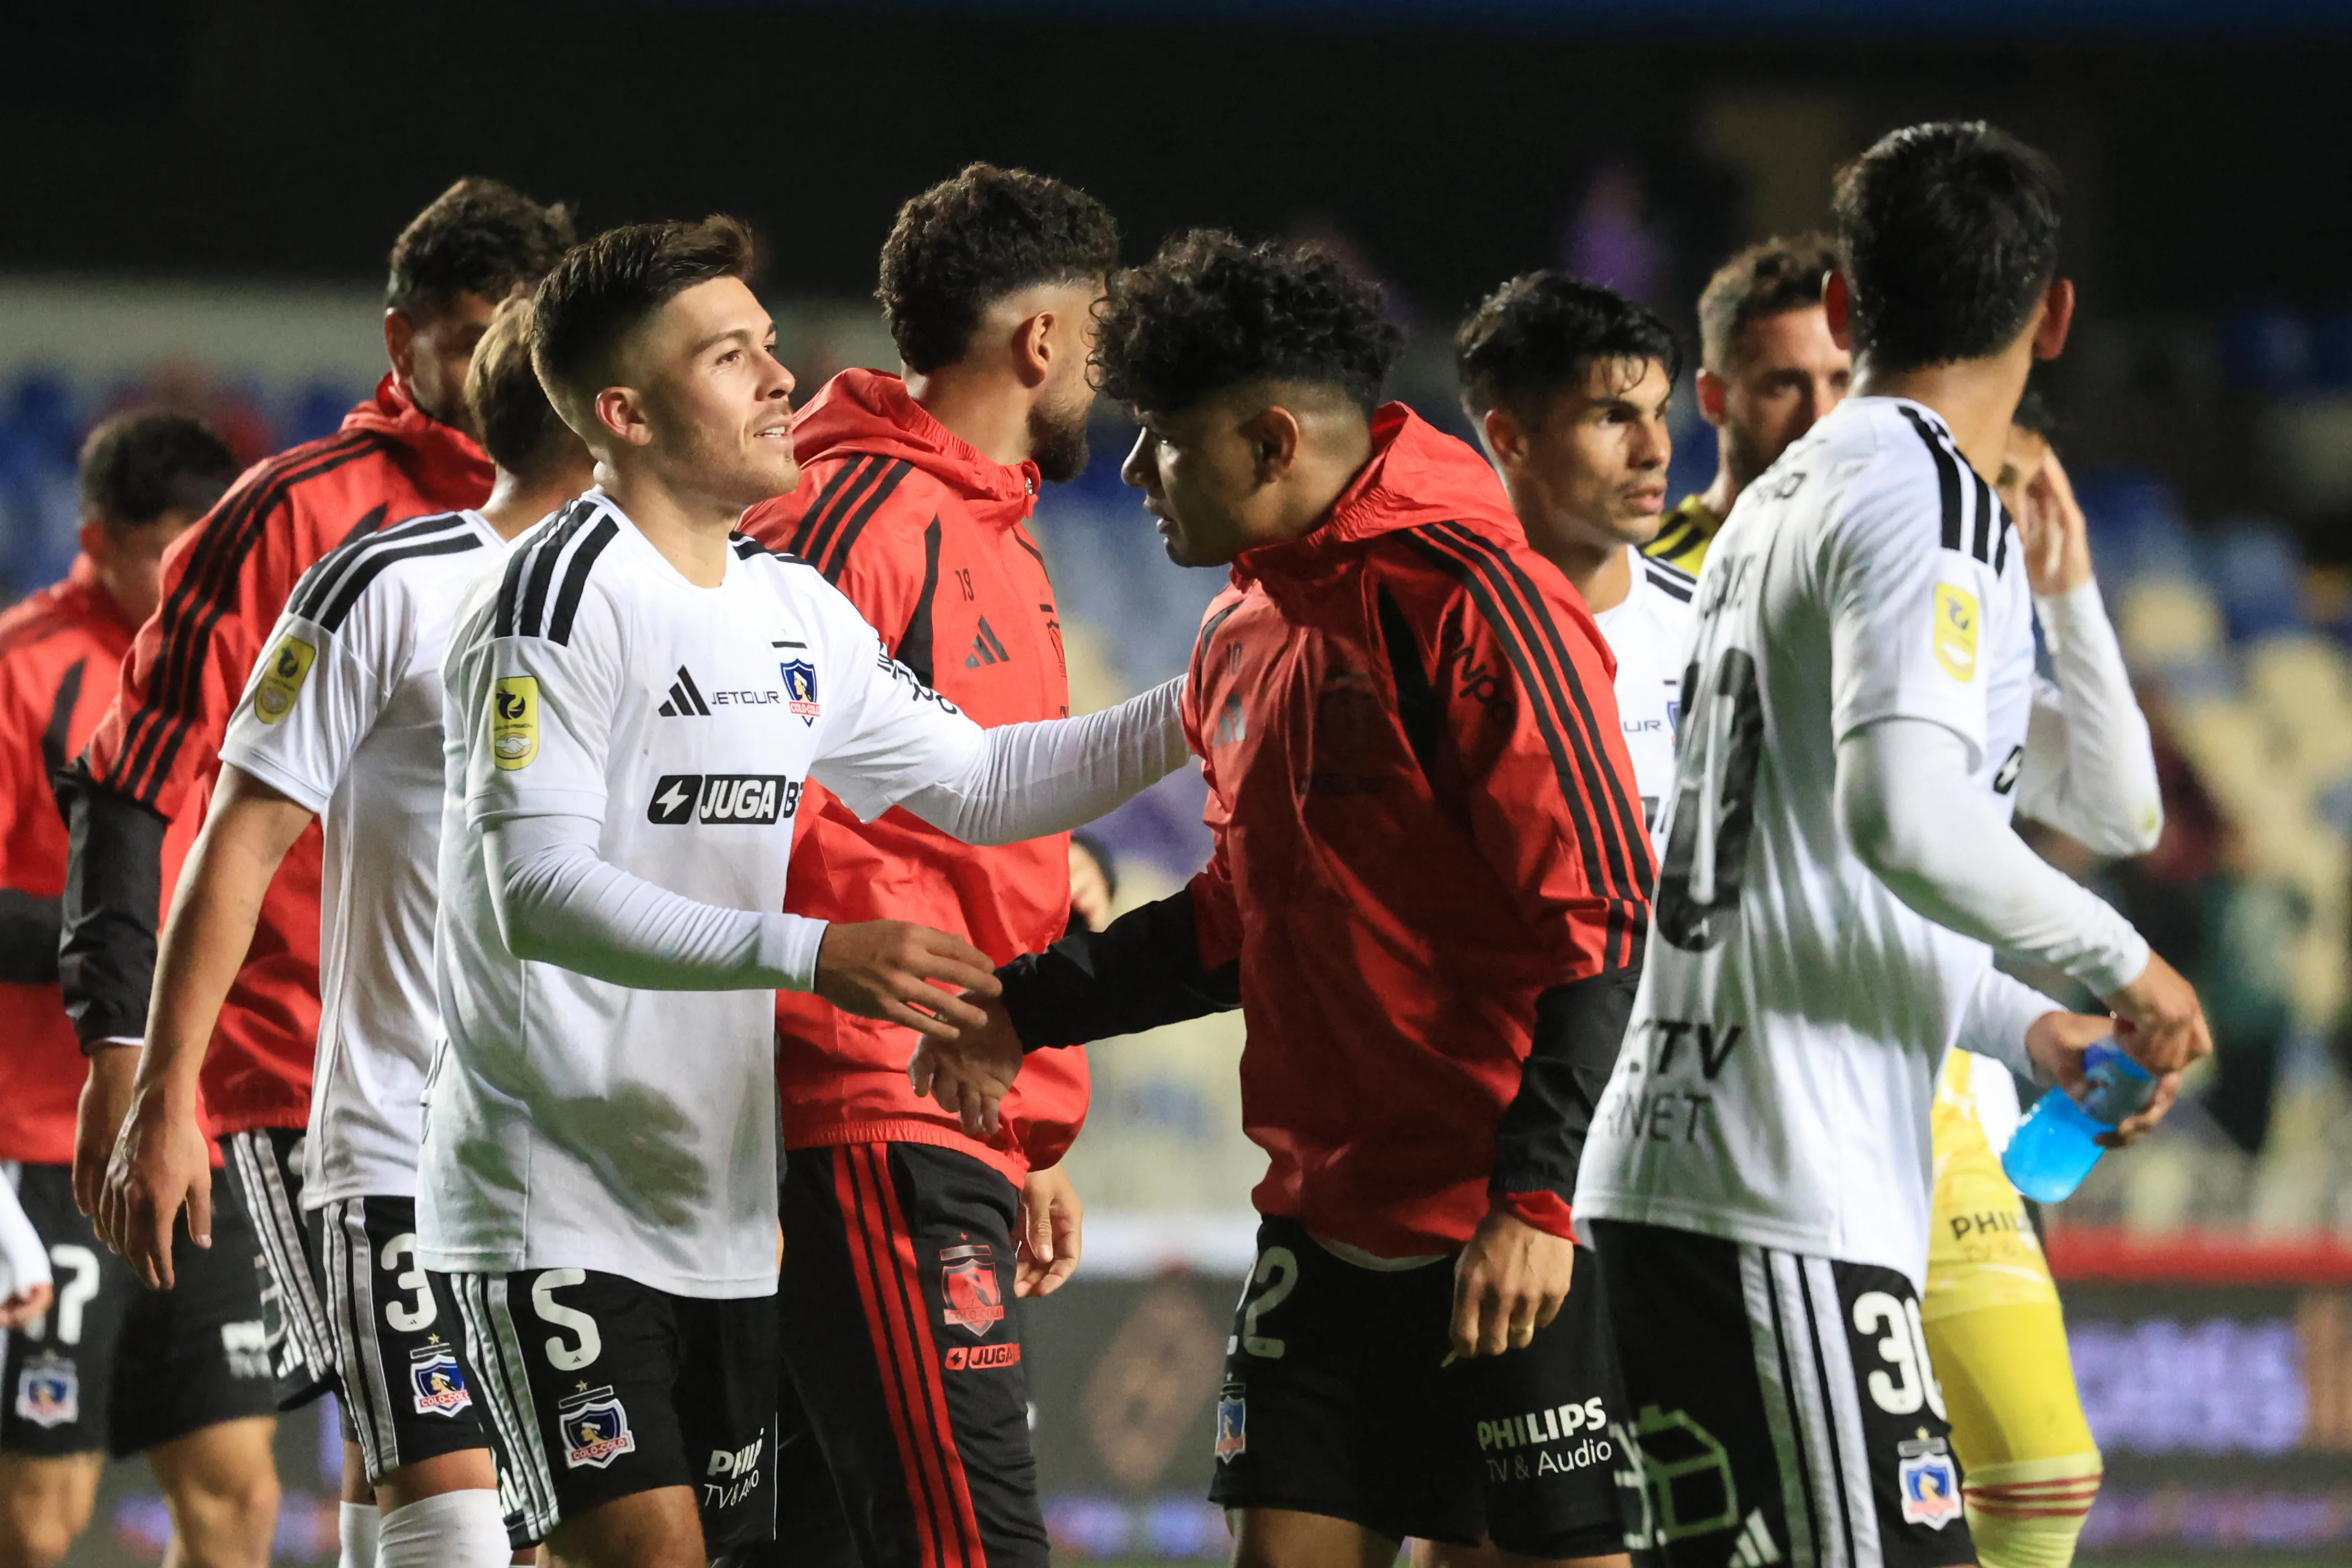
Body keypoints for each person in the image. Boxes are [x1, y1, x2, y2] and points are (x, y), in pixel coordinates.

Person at [414, 216, 1189, 1568]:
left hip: (717, 1195)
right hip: (553, 1188)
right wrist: (815, 953)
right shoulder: (556, 596)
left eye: (768, 345)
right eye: (730, 357)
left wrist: (1212, 694)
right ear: (625, 413)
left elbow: (989, 783)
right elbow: (534, 889)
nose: (781, 378)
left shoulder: (788, 608)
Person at [915, 230, 1652, 1568]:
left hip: (1496, 1238)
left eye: (1165, 441)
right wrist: (1022, 1008)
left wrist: (1535, 1203)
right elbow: (1237, 926)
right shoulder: (1242, 636)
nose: (1135, 472)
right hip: (1317, 1234)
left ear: (1268, 444)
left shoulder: (1482, 607)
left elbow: (1597, 915)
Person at [1573, 122, 2210, 1568]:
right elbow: (1906, 820)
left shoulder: (1780, 506)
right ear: (2055, 318)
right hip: (1784, 1185)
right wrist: (2130, 961)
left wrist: (2030, 1027)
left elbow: (1861, 856)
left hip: (1691, 1164)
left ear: (1852, 312)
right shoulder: (1918, 498)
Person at [56, 183, 573, 1538]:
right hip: (300, 1078)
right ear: (399, 340)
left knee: (429, 1470)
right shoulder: (293, 513)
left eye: (518, 335)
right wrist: (131, 1059)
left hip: (523, 1095)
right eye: (464, 337)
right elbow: (130, 784)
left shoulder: (603, 544)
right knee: (446, 1471)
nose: (490, 369)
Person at [734, 165, 1118, 1568]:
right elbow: (731, 799)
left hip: (947, 1111)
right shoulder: (857, 512)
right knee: (972, 1547)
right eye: (1100, 325)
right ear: (1040, 341)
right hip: (862, 1102)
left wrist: (1028, 1132)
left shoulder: (987, 528)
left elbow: (968, 834)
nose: (1105, 360)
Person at [0, 414, 281, 1568]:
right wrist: (125, 951)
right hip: (40, 1140)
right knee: (42, 1509)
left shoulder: (255, 666)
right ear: (96, 537)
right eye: (165, 551)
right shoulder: (23, 666)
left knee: (235, 1492)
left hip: (193, 1126)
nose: (187, 579)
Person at [1456, 274, 1692, 844]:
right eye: (1614, 417)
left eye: (1659, 413)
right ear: (1510, 439)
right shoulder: (1431, 640)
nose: (1655, 450)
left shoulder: (1709, 628)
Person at [1642, 235, 1846, 576]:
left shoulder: (1890, 565)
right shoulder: (1647, 581)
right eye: (1783, 386)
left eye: (1841, 382)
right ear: (1712, 399)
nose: (1820, 417)